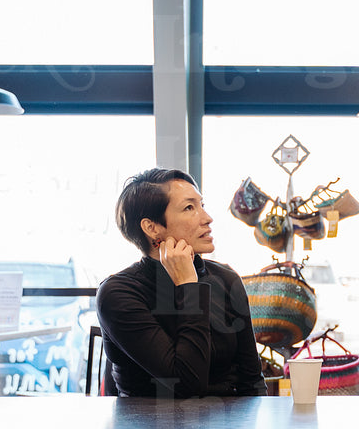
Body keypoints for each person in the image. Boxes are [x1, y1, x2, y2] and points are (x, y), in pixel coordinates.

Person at [97, 167, 267, 398]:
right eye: (189, 208)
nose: (207, 218)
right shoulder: (118, 293)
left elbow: (252, 381)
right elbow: (186, 385)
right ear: (152, 227)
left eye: (201, 205)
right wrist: (188, 284)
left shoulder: (226, 279)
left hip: (227, 428)